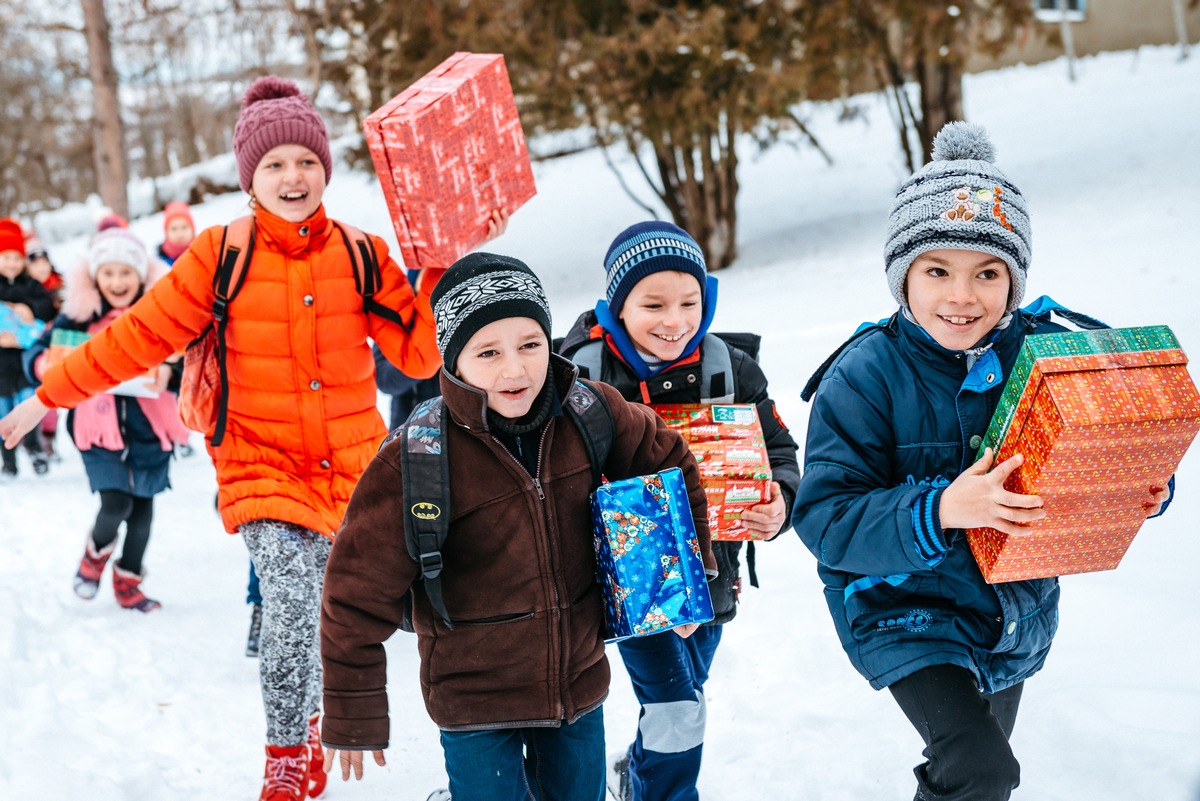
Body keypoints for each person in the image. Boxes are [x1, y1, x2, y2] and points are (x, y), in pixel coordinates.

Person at [1, 75, 443, 801]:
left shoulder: (363, 255)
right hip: (258, 464)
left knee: (332, 605)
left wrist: (437, 269)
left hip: (350, 469)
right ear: (249, 178)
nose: (292, 176)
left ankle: (308, 720)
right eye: (274, 164)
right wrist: (47, 396)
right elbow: (136, 338)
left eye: (305, 160)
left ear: (325, 168)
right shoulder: (218, 255)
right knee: (293, 596)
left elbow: (421, 356)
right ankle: (282, 755)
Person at [791, 121, 1173, 801]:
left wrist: (1141, 485)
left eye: (988, 273)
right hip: (901, 610)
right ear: (902, 275)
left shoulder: (1050, 355)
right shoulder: (864, 375)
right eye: (937, 270)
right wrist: (940, 508)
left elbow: (1108, 436)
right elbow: (825, 517)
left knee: (973, 778)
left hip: (1012, 607)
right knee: (982, 769)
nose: (962, 297)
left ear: (1015, 278)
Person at [319, 253, 718, 801]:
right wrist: (353, 702)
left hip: (576, 683)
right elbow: (354, 590)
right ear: (455, 362)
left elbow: (669, 462)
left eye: (530, 344)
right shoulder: (416, 457)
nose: (516, 369)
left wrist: (688, 582)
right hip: (472, 698)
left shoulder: (589, 411)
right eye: (489, 352)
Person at [557, 221, 801, 801]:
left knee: (683, 694)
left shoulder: (730, 369)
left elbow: (780, 453)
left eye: (689, 302)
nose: (675, 320)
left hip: (716, 575)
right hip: (627, 581)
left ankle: (638, 774)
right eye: (653, 304)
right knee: (677, 708)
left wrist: (780, 502)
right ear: (618, 306)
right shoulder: (579, 375)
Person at [24, 228, 188, 611]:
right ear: (95, 275)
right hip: (97, 429)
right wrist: (42, 362)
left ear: (141, 276)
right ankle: (94, 555)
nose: (117, 282)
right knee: (116, 504)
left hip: (151, 429)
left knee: (143, 515)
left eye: (126, 273)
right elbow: (37, 351)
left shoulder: (160, 318)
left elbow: (192, 362)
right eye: (109, 273)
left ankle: (128, 582)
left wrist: (169, 375)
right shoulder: (78, 317)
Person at [0, 217, 54, 479]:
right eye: (5, 256)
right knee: (2, 412)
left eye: (16, 257)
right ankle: (8, 462)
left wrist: (28, 311)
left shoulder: (31, 286)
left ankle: (35, 451)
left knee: (26, 406)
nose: (11, 263)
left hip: (23, 361)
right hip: (0, 364)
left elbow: (46, 307)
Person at [24, 234, 64, 459]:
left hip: (56, 351)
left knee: (53, 403)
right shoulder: (25, 290)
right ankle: (31, 440)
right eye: (34, 263)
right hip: (31, 352)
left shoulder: (60, 286)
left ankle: (49, 442)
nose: (40, 267)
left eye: (43, 262)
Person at [158, 201, 196, 267]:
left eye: (184, 227)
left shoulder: (203, 254)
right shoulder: (159, 263)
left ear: (192, 229)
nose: (180, 234)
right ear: (166, 232)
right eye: (174, 229)